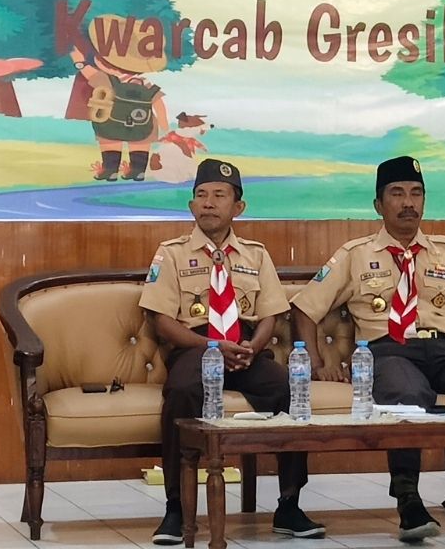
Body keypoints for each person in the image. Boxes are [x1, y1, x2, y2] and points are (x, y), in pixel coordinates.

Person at [292, 157, 445, 543]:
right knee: (407, 394)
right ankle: (408, 499)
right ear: (378, 205)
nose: (408, 203)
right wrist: (316, 360)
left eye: (416, 193)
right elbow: (305, 309)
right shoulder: (355, 254)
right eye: (397, 193)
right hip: (388, 350)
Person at [138, 159, 325, 545]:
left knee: (289, 389)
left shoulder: (256, 254)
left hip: (245, 346)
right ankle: (176, 509)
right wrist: (211, 346)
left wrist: (254, 347)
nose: (209, 203)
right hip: (196, 346)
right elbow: (162, 322)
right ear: (191, 206)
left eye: (219, 196)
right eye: (201, 195)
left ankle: (289, 505)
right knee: (181, 391)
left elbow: (272, 313)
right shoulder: (171, 253)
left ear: (238, 207)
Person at [71, 38, 169, 182]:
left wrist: (79, 61)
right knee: (140, 145)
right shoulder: (145, 83)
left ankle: (110, 171)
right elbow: (158, 102)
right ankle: (138, 171)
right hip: (142, 124)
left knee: (110, 143)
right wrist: (163, 123)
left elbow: (89, 73)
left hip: (111, 123)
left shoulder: (108, 80)